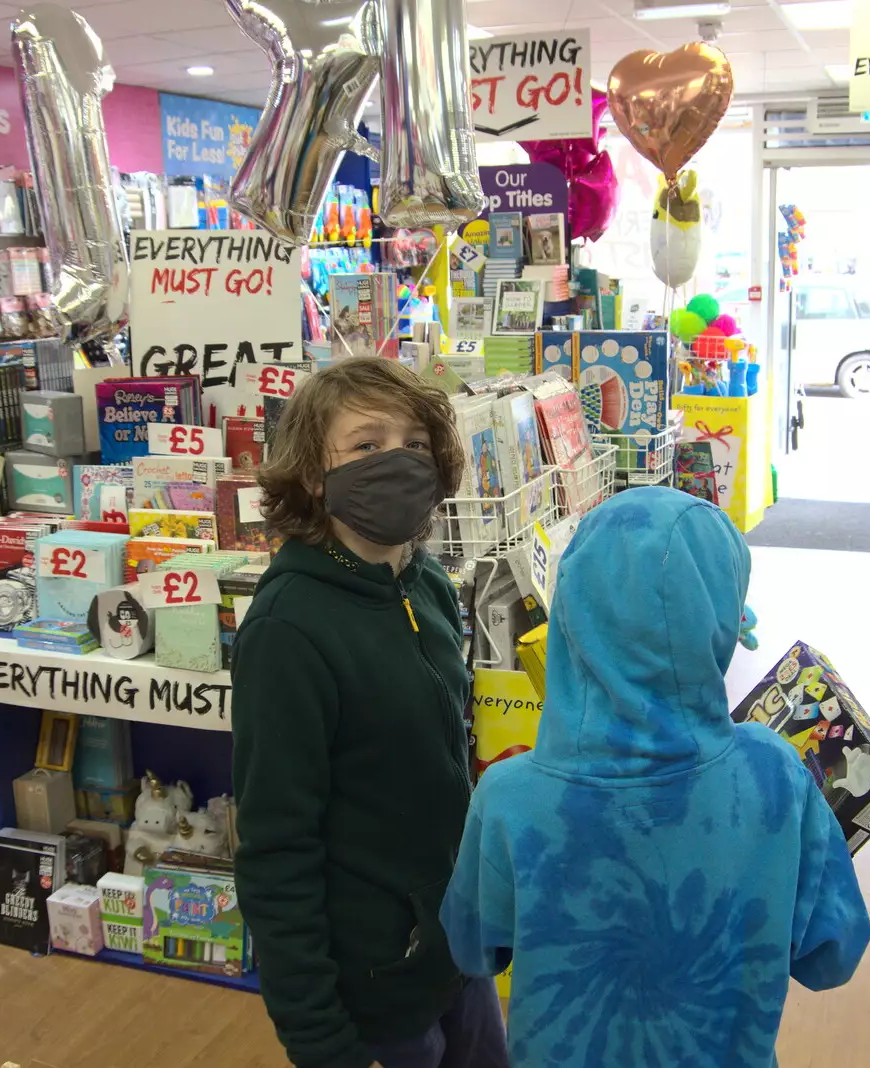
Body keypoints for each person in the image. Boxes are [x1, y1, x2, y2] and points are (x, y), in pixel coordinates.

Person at [439, 487, 870, 1068]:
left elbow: (472, 946)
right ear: (721, 620)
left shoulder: (510, 796)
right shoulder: (774, 775)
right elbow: (832, 956)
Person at [232, 358, 508, 1068]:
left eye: (416, 444)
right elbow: (275, 853)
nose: (399, 461)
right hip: (375, 986)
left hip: (455, 949)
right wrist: (320, 1040)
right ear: (314, 476)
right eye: (366, 444)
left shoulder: (427, 585)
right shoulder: (288, 631)